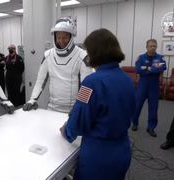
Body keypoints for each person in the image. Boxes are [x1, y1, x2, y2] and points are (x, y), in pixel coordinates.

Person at [60, 28, 136, 180]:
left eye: (88, 51)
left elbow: (79, 122)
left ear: (96, 52)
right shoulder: (127, 79)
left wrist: (66, 130)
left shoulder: (91, 82)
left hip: (98, 158)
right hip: (122, 151)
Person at [23, 17, 94, 113]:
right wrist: (32, 99)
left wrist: (80, 109)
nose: (61, 41)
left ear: (71, 37)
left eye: (64, 37)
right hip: (52, 108)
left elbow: (87, 86)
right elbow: (40, 81)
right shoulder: (48, 55)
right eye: (58, 37)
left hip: (73, 110)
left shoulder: (82, 56)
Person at [131, 39, 166, 137]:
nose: (153, 47)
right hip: (143, 84)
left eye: (154, 46)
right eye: (151, 46)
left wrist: (147, 68)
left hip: (154, 86)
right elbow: (138, 70)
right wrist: (153, 69)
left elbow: (161, 68)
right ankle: (135, 123)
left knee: (153, 108)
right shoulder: (141, 57)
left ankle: (151, 127)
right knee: (137, 105)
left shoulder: (160, 58)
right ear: (146, 47)